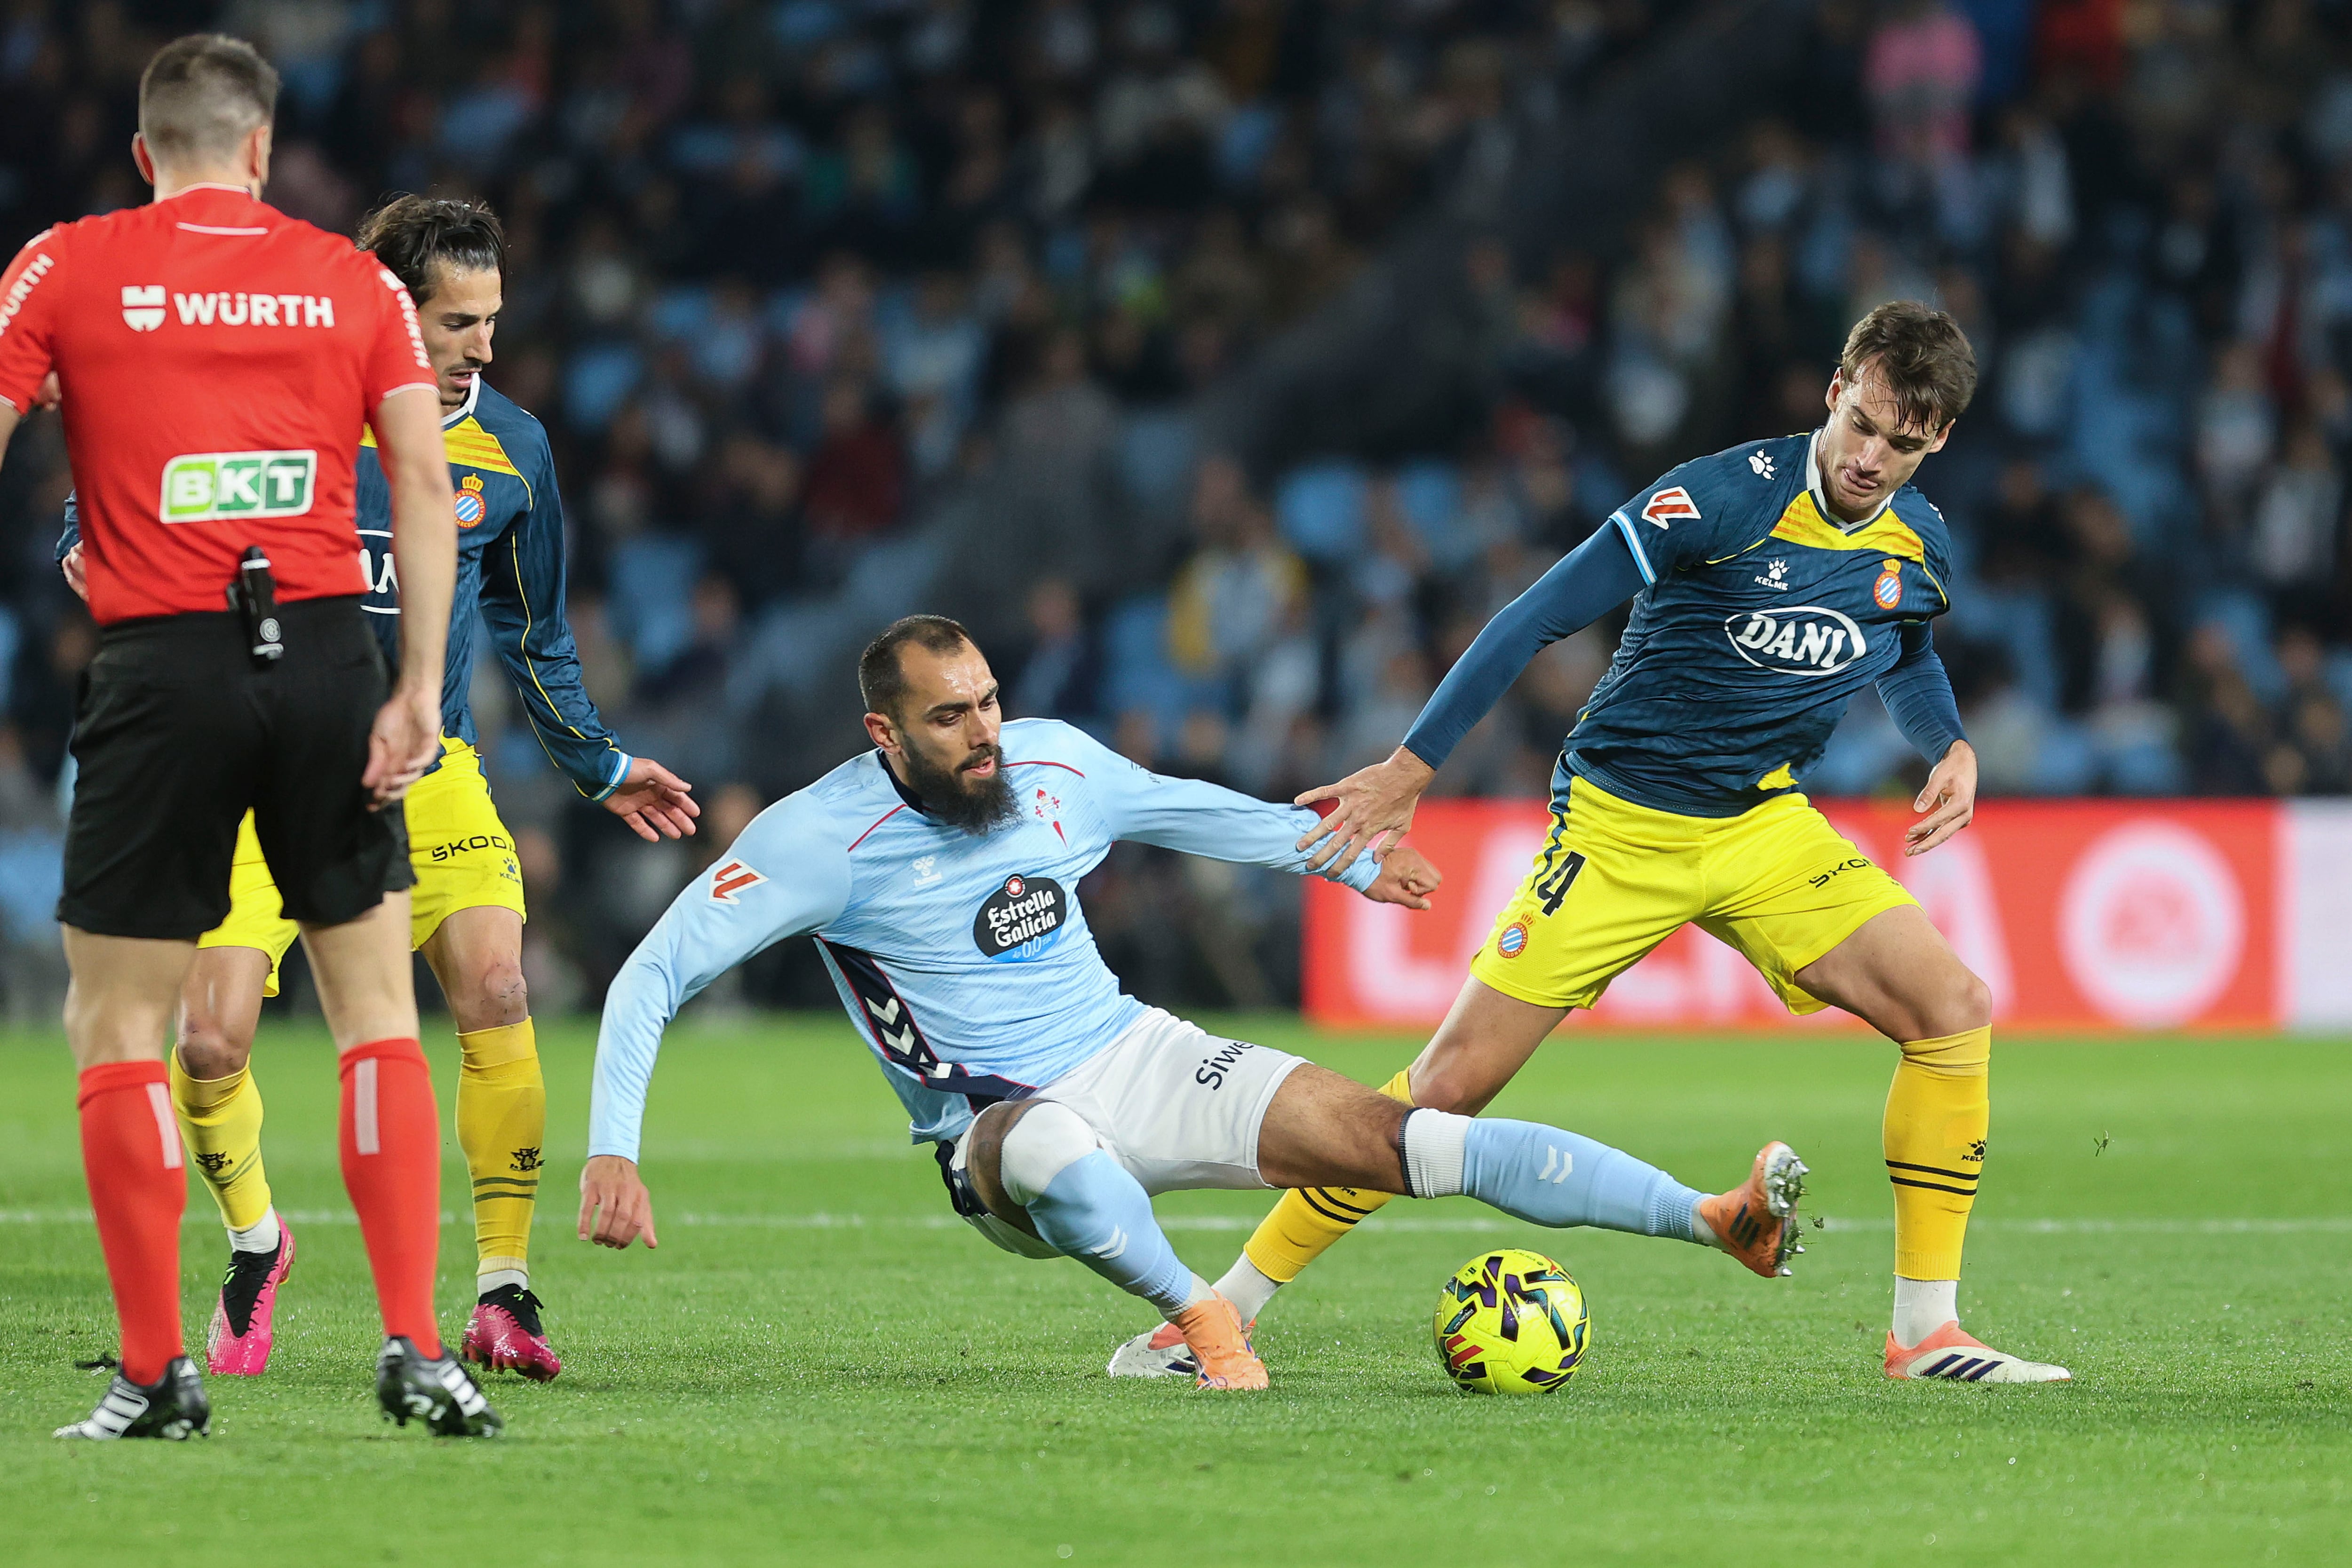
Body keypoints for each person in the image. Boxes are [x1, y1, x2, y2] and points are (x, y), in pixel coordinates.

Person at [1114, 301, 2070, 1386]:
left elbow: (1901, 641)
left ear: (1938, 439)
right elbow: (1533, 614)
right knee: (1440, 1095)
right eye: (1864, 423)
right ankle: (1210, 1315)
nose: (1871, 457)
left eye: (1904, 443)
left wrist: (1947, 743)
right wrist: (1411, 767)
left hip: (1763, 824)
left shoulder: (1918, 540)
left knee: (1953, 1006)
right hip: (1621, 827)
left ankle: (1926, 1334)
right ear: (1836, 385)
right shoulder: (1720, 496)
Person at [578, 616, 1811, 1389]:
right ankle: (1199, 1321)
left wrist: (1346, 854)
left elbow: (1189, 808)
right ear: (882, 730)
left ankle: (1713, 1219)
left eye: (990, 699)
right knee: (1052, 1141)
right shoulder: (815, 837)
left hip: (1134, 1051)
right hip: (994, 1127)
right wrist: (615, 1148)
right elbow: (653, 973)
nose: (984, 731)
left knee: (1401, 1137)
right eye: (950, 716)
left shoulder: (1053, 763)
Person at [58, 194, 698, 1385]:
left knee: (501, 984)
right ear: (389, 306)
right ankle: (257, 1242)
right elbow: (103, 504)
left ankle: (502, 1292)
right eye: (458, 320)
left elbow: (534, 629)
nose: (484, 346)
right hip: (263, 769)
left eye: (493, 318)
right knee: (207, 1038)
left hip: (430, 767)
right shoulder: (267, 395)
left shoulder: (511, 445)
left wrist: (597, 762)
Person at [0, 34, 497, 1440]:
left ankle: (158, 1373)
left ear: (147, 153)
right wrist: (411, 688)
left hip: (161, 663)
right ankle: (417, 1348)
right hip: (334, 656)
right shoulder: (352, 280)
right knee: (378, 1015)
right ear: (267, 150)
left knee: (120, 1026)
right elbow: (417, 477)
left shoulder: (64, 266)